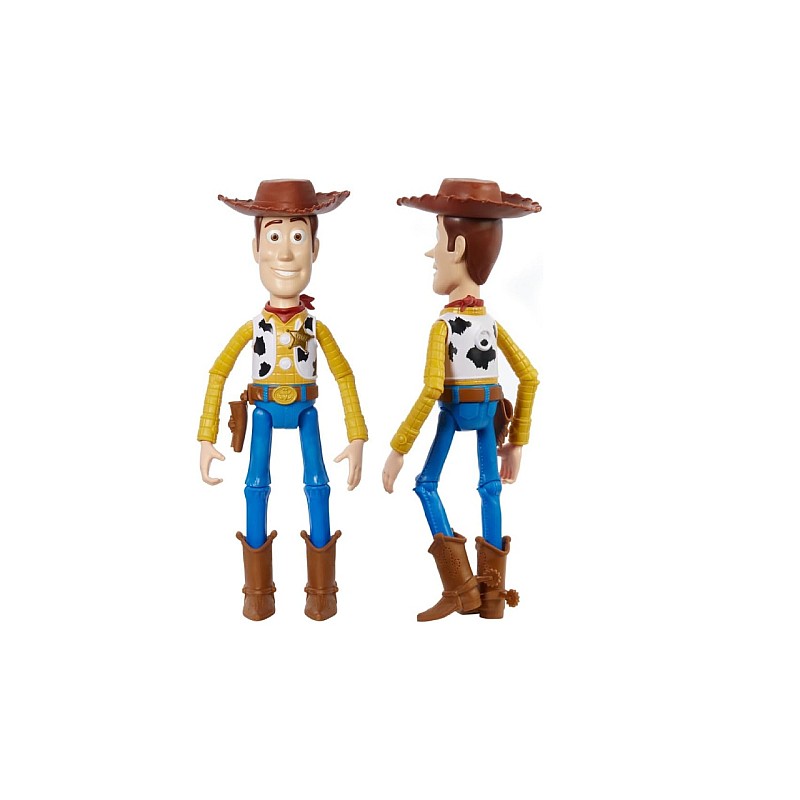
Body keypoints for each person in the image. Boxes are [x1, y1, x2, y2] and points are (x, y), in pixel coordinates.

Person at [198, 179, 367, 622]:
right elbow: (218, 371)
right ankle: (257, 594)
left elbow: (344, 375)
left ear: (315, 248)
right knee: (256, 484)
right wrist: (206, 435)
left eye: (298, 237)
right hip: (264, 410)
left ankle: (323, 593)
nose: (286, 254)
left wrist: (357, 436)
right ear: (256, 248)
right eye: (274, 237)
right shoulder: (254, 327)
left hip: (307, 409)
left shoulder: (315, 326)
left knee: (318, 484)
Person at [382, 178, 540, 622]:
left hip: (453, 412)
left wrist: (398, 447)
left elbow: (433, 387)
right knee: (490, 490)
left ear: (458, 248)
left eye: (438, 241)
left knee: (425, 484)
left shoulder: (444, 327)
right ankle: (493, 598)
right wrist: (517, 441)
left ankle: (461, 588)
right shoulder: (490, 323)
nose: (431, 254)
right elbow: (529, 376)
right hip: (487, 411)